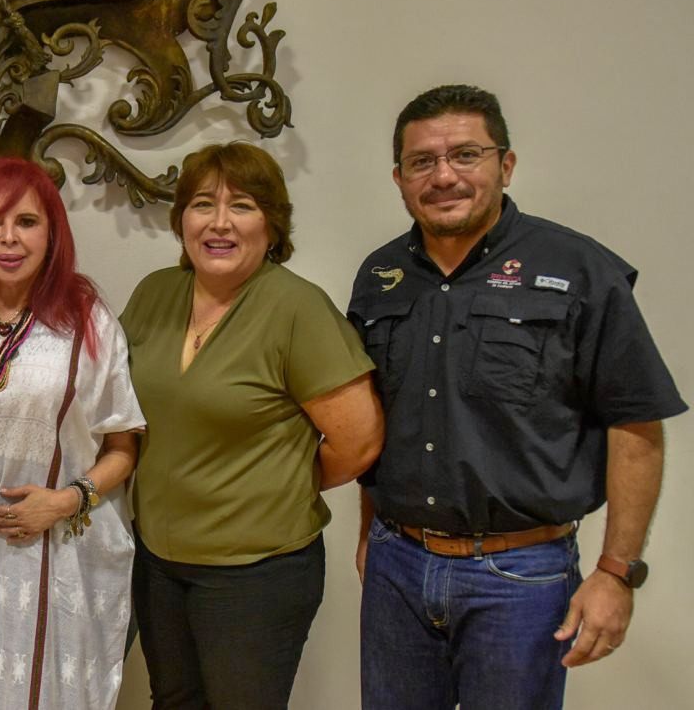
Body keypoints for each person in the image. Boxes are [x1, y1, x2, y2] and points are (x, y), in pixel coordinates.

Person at [349, 84, 687, 710]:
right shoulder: (379, 276)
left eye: (465, 155)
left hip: (520, 577)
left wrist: (617, 573)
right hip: (398, 566)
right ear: (399, 178)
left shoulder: (580, 270)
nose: (443, 176)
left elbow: (636, 425)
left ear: (505, 165)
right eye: (422, 162)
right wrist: (371, 531)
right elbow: (375, 417)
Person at [119, 142, 385, 709]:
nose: (219, 223)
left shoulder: (297, 309)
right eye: (202, 204)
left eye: (241, 205)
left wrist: (276, 483)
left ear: (271, 223)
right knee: (172, 702)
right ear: (181, 220)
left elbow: (359, 442)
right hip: (159, 560)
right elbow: (119, 410)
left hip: (255, 573)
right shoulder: (153, 294)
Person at [0, 157, 145, 709]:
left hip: (53, 553)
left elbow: (123, 444)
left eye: (27, 222)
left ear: (52, 234)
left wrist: (66, 500)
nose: (8, 238)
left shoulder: (86, 320)